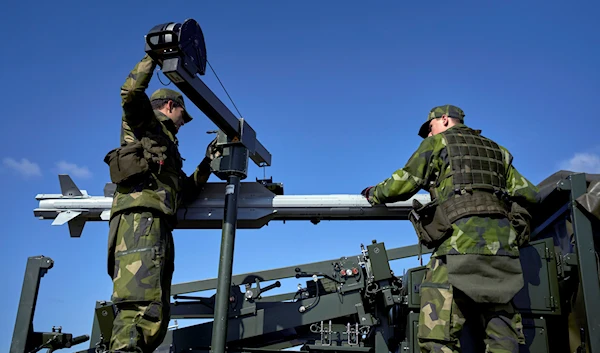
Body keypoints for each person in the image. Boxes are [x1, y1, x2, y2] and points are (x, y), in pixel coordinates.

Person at [361, 105, 539, 352]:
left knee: (437, 335)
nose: (428, 135)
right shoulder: (499, 151)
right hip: (503, 251)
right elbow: (529, 194)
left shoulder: (438, 144)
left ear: (444, 120)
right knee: (502, 335)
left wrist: (375, 193)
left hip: (457, 246)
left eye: (430, 128)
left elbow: (405, 181)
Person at [103, 53, 221, 352]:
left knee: (155, 308)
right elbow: (130, 93)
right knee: (140, 307)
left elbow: (183, 190)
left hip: (154, 222)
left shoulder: (165, 143)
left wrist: (207, 163)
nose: (183, 124)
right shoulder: (145, 125)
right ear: (170, 106)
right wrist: (153, 56)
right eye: (183, 116)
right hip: (140, 221)